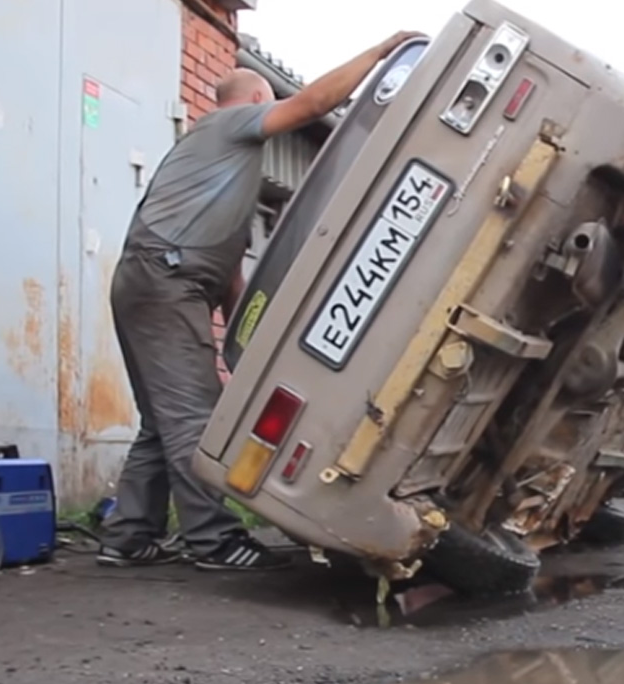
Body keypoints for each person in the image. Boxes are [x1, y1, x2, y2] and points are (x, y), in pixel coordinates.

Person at [98, 31, 422, 571]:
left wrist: (246, 348)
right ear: (255, 101)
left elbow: (231, 284)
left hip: (152, 282)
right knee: (192, 416)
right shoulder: (226, 124)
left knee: (162, 420)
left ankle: (128, 535)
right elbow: (314, 104)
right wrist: (382, 53)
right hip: (164, 279)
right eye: (269, 107)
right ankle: (215, 541)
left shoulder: (221, 182)